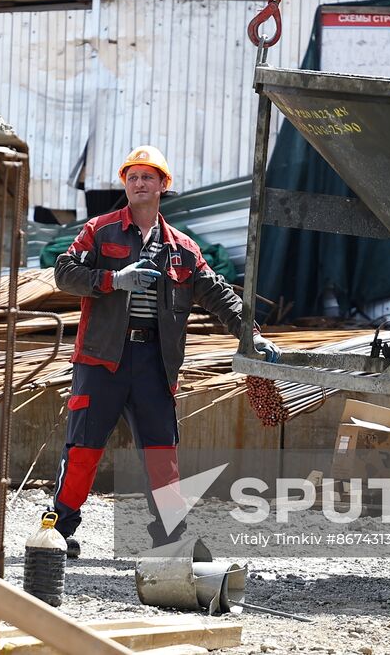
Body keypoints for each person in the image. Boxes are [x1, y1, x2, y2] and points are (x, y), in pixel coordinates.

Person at [47, 145, 279, 557]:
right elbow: (64, 272)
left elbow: (219, 295)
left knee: (162, 454)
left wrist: (252, 335)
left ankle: (170, 538)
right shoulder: (100, 231)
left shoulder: (183, 249)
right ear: (125, 183)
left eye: (148, 177)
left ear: (163, 186)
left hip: (154, 363)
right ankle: (58, 531)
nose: (139, 184)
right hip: (102, 360)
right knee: (83, 448)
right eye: (133, 177)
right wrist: (114, 279)